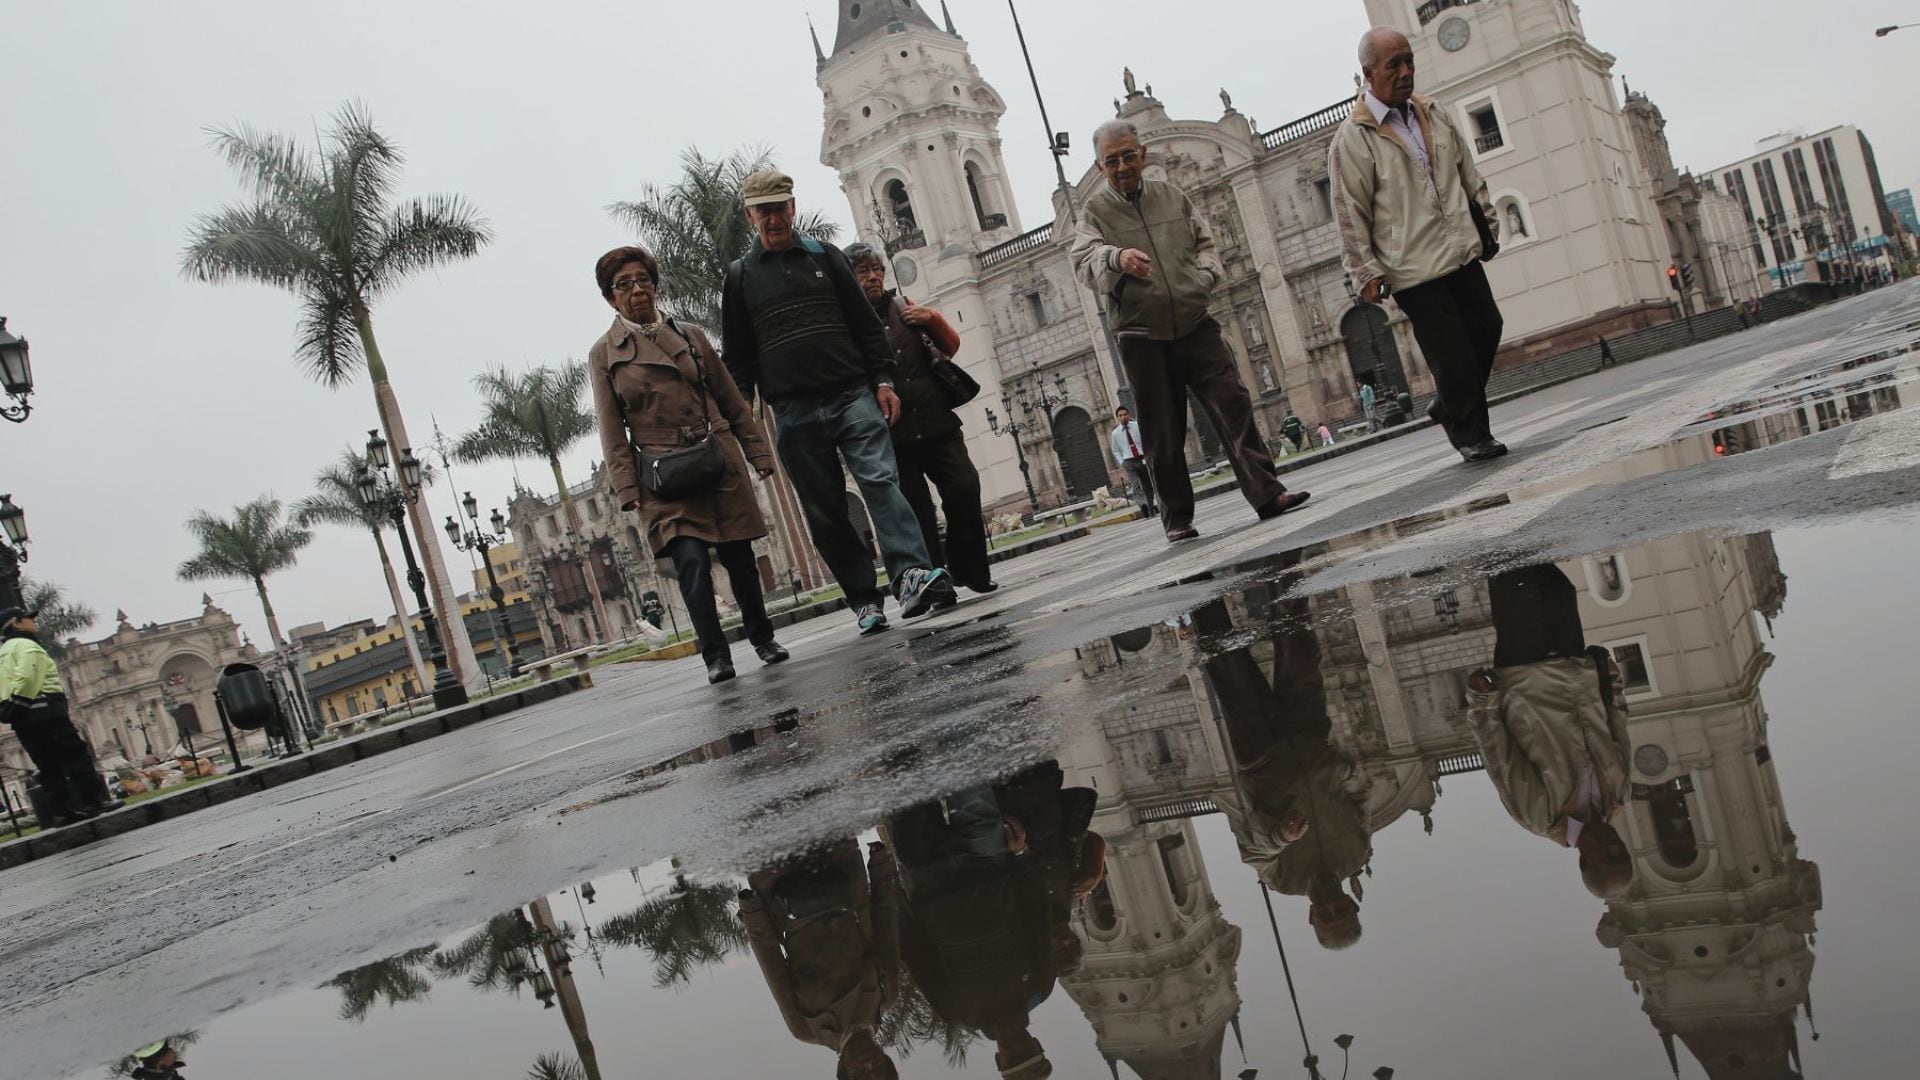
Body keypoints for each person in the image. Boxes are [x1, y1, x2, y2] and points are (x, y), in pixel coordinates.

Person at [721, 170, 955, 634]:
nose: (773, 218)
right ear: (751, 216)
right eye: (762, 211)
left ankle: (909, 575)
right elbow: (738, 355)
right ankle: (864, 599)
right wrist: (743, 415)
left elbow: (866, 326)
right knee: (824, 508)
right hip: (792, 411)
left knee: (880, 480)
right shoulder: (740, 277)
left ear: (792, 207)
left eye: (779, 207)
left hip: (852, 395)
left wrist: (883, 380)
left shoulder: (826, 258)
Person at [1071, 120, 1309, 545]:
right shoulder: (1094, 214)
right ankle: (1177, 517)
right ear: (1099, 166)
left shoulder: (1172, 197)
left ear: (1142, 155)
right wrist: (1116, 257)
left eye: (1129, 155)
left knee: (1233, 403)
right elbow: (1083, 261)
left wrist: (1205, 277)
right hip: (1142, 335)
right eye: (1112, 161)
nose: (1122, 166)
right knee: (1163, 430)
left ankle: (1268, 494)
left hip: (1196, 322)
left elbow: (1206, 244)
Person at [589, 245, 789, 685]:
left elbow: (732, 401)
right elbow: (611, 430)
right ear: (610, 298)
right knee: (692, 563)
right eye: (624, 285)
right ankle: (715, 655)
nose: (636, 290)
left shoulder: (692, 336)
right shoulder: (604, 355)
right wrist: (628, 491)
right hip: (664, 472)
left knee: (740, 556)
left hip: (716, 455)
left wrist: (757, 454)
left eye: (643, 280)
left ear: (656, 287)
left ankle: (762, 638)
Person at [1331, 27, 1508, 463]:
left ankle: (1449, 404)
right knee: (1452, 353)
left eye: (1409, 60)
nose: (1406, 71)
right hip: (1412, 266)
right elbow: (1349, 212)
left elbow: (1468, 172)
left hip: (1461, 249)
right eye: (1395, 65)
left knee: (1488, 327)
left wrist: (1486, 225)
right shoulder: (1353, 139)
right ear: (1369, 73)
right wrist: (1365, 271)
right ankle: (1471, 434)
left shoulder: (1433, 112)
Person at [1467, 563, 1635, 899]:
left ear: (1584, 863)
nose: (1615, 847)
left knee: (1514, 581)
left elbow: (1501, 758)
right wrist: (1608, 677)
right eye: (1623, 854)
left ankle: (1484, 517)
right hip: (1575, 669)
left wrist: (1483, 703)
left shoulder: (1540, 817)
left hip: (1526, 675)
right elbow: (1617, 725)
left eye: (1609, 859)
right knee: (1557, 586)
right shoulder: (1619, 795)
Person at [844, 242, 996, 597]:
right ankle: (935, 580)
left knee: (964, 487)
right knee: (916, 511)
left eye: (877, 269)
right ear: (850, 278)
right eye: (864, 271)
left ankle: (969, 568)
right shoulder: (849, 325)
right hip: (892, 435)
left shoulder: (904, 308)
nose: (873, 277)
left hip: (936, 421)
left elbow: (951, 347)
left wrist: (933, 319)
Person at [740, 839, 901, 1079]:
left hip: (780, 887)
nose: (869, 1065)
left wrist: (752, 911)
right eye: (879, 1070)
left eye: (860, 1076)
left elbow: (773, 966)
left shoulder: (806, 1029)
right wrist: (880, 866)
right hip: (841, 870)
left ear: (843, 1071)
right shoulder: (887, 995)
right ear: (886, 1061)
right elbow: (885, 924)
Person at [1, 606, 110, 827]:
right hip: (46, 710)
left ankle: (62, 811)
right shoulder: (27, 646)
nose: (34, 622)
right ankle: (95, 801)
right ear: (16, 623)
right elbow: (29, 676)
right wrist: (21, 702)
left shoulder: (4, 651)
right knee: (75, 754)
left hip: (22, 719)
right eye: (29, 618)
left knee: (47, 764)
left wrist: (10, 710)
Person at [1106, 405, 1157, 516]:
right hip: (1128, 462)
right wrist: (1122, 462)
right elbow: (1115, 450)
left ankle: (1150, 507)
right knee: (1135, 485)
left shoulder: (1137, 426)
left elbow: (1146, 440)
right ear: (1117, 418)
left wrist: (1147, 455)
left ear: (1128, 415)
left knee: (1147, 484)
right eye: (1120, 415)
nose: (1123, 417)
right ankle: (1144, 505)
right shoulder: (1115, 433)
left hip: (1142, 459)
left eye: (1125, 414)